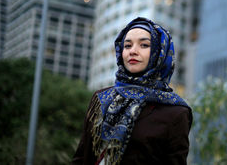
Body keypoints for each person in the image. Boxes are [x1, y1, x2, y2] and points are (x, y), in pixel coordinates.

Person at [72, 17, 192, 165]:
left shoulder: (176, 112)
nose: (133, 51)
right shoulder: (101, 98)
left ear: (159, 52)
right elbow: (81, 157)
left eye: (144, 45)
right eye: (127, 46)